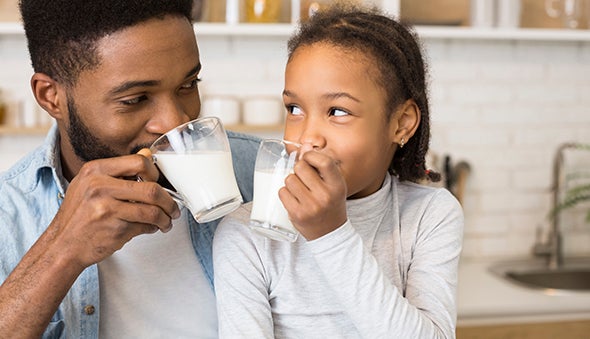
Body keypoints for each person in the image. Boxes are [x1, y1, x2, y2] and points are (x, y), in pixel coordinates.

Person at [0, 0, 259, 337]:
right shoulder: (8, 214)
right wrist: (62, 250)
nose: (176, 121)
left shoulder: (260, 175)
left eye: (188, 85)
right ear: (52, 97)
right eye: (135, 99)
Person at [213, 4, 464, 338]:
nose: (308, 137)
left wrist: (331, 235)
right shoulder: (246, 233)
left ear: (401, 123)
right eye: (295, 108)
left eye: (338, 111)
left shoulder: (430, 216)